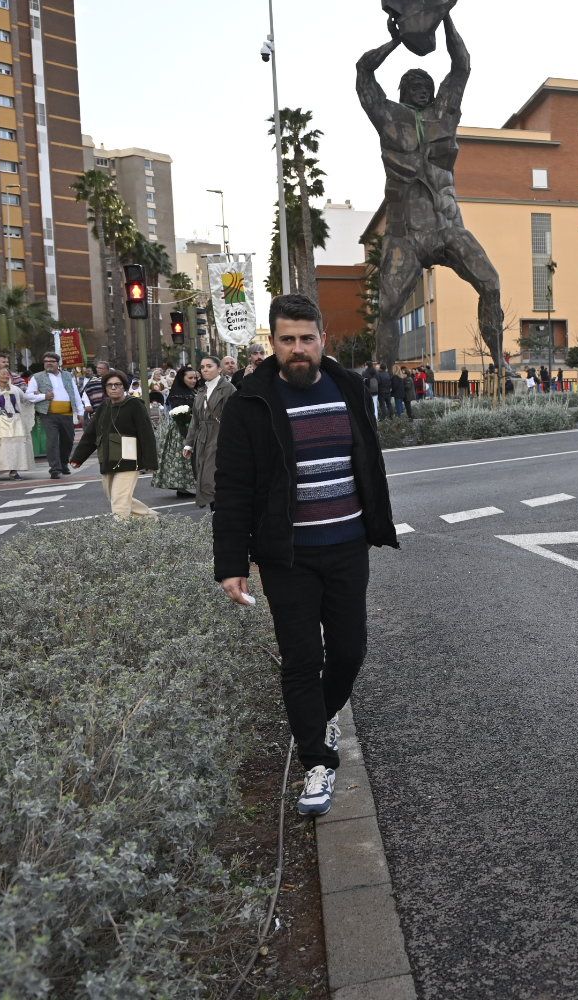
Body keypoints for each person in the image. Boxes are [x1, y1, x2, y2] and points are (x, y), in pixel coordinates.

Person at [212, 293, 398, 817]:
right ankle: (317, 762)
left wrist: (376, 521)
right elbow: (233, 488)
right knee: (301, 660)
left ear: (323, 340)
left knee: (349, 652)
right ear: (272, 343)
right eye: (287, 340)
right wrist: (230, 563)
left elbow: (368, 459)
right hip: (286, 556)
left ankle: (323, 713)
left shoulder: (348, 387)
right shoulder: (251, 402)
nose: (298, 349)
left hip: (347, 546)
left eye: (306, 339)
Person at [69, 369, 158, 519]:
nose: (114, 388)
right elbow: (90, 434)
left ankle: (120, 535)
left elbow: (146, 434)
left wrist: (150, 462)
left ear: (124, 386)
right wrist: (78, 458)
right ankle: (150, 517)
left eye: (117, 384)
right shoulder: (104, 407)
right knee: (117, 498)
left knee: (119, 501)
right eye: (110, 385)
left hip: (129, 459)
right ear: (105, 389)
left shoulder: (135, 405)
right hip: (108, 459)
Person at [183, 355, 235, 511]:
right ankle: (217, 514)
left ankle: (220, 513)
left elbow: (234, 416)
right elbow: (195, 420)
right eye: (203, 366)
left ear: (219, 369)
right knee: (204, 476)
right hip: (203, 439)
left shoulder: (228, 389)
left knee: (211, 478)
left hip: (220, 436)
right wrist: (189, 444)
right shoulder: (202, 390)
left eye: (209, 366)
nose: (205, 369)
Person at [30, 351, 86, 480]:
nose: (48, 363)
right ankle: (55, 469)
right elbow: (28, 395)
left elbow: (75, 394)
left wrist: (80, 411)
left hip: (67, 413)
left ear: (58, 363)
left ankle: (63, 463)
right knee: (52, 441)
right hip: (48, 414)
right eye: (46, 361)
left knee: (68, 439)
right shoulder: (37, 377)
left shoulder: (67, 376)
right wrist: (44, 396)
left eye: (52, 361)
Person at [153, 365, 200, 498]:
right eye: (190, 378)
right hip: (182, 428)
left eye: (195, 378)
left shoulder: (193, 391)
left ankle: (188, 486)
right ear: (182, 378)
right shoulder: (177, 393)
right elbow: (179, 414)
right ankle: (182, 487)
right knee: (182, 458)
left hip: (192, 426)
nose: (193, 380)